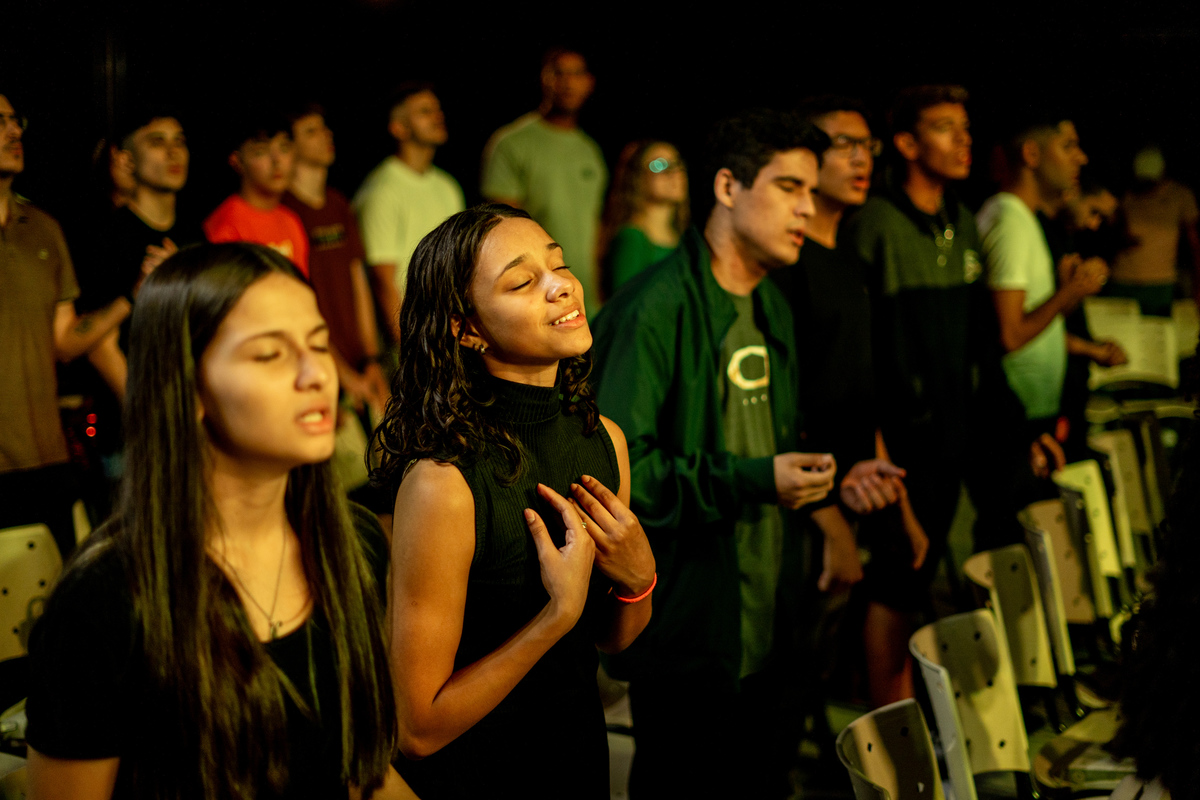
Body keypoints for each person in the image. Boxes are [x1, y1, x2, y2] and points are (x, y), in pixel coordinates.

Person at [25, 243, 416, 800]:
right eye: (269, 355)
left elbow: (363, 776)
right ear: (189, 388)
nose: (317, 376)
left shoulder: (351, 541)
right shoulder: (103, 600)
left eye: (319, 345)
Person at [590, 110, 836, 799]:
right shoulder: (655, 307)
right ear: (728, 186)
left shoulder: (773, 306)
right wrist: (757, 479)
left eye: (811, 192)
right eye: (790, 187)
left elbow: (769, 441)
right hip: (689, 628)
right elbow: (620, 476)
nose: (808, 208)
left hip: (771, 627)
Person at [373, 204, 655, 799]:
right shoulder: (444, 481)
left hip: (577, 759)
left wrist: (639, 580)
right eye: (523, 282)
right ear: (466, 328)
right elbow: (417, 728)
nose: (561, 286)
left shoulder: (605, 440)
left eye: (559, 264)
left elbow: (614, 639)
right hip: (482, 774)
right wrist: (555, 617)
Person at [772, 97, 928, 720]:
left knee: (818, 674)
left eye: (868, 146)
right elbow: (786, 410)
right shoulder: (788, 268)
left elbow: (860, 400)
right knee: (786, 682)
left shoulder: (847, 259)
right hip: (808, 512)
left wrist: (902, 509)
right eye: (844, 145)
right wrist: (830, 523)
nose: (861, 159)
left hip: (859, 496)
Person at [0, 91, 133, 558]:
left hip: (48, 462)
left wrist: (129, 299)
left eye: (17, 120)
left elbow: (64, 341)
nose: (15, 131)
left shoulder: (42, 227)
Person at [978, 112, 1121, 427]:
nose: (1080, 158)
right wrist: (1070, 291)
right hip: (1015, 415)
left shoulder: (1024, 219)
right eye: (1068, 146)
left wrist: (1068, 290)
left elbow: (1040, 319)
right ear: (1032, 154)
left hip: (1030, 412)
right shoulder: (1008, 221)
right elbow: (1011, 335)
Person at [481, 47, 607, 313]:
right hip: (538, 300)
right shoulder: (512, 143)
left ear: (589, 83)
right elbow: (502, 230)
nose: (568, 82)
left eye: (577, 74)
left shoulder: (590, 151)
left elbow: (595, 232)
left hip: (586, 301)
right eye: (559, 73)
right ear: (544, 79)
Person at [284, 103, 389, 418]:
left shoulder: (338, 203)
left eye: (324, 128)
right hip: (319, 362)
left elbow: (359, 281)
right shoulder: (287, 210)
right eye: (311, 131)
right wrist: (339, 370)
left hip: (360, 363)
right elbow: (295, 303)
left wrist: (371, 358)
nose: (326, 135)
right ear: (290, 146)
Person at [353, 83, 465, 343]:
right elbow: (383, 282)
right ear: (398, 128)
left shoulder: (447, 186)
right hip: (413, 340)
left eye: (437, 110)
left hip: (448, 335)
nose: (438, 116)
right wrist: (409, 350)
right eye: (425, 112)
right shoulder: (382, 191)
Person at [204, 113, 309, 276]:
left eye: (284, 148)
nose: (277, 161)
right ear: (237, 161)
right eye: (261, 152)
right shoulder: (227, 224)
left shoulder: (290, 220)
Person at [1109, 145, 1200, 315]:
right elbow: (1112, 232)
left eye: (1150, 181)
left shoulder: (1180, 195)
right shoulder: (1127, 193)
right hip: (1122, 279)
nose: (1146, 186)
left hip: (1160, 282)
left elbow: (1194, 243)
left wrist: (1197, 286)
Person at [598, 139, 689, 296]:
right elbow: (624, 306)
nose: (674, 173)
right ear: (638, 176)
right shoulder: (632, 237)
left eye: (677, 164)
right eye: (660, 165)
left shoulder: (683, 238)